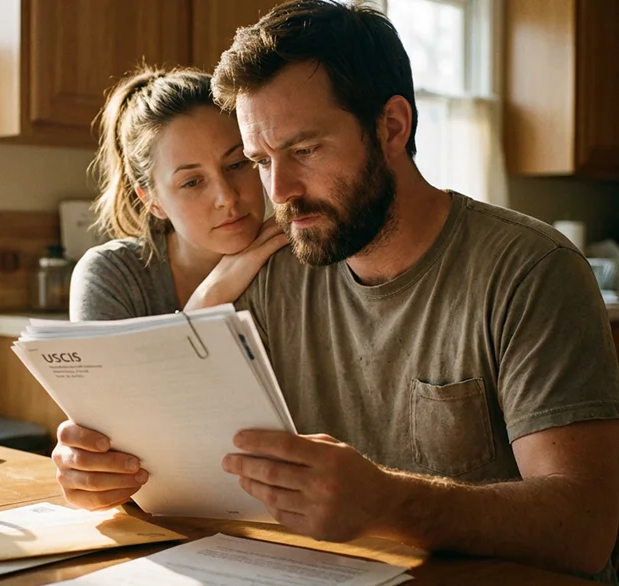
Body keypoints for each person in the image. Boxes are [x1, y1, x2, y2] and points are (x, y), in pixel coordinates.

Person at [52, 2, 619, 582]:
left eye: (303, 151)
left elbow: (586, 529)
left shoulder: (530, 270)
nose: (279, 191)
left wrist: (390, 501)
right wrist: (106, 471)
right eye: (260, 160)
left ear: (392, 127)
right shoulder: (276, 268)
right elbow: (182, 475)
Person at [68, 65, 287, 321]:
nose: (226, 197)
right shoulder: (113, 277)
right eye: (192, 182)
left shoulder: (297, 257)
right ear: (151, 200)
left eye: (236, 164)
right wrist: (210, 297)